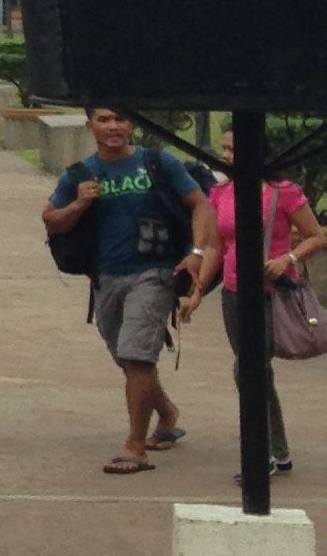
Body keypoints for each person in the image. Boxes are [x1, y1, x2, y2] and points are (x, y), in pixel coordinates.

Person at [44, 110, 212, 473]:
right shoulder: (79, 174)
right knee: (127, 357)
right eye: (104, 120)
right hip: (105, 277)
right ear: (90, 126)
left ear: (132, 125)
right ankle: (166, 413)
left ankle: (135, 446)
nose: (114, 126)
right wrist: (79, 203)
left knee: (137, 356)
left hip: (154, 273)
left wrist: (196, 253)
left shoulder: (157, 163)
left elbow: (200, 204)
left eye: (121, 119)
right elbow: (50, 220)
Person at [178, 130, 322, 478]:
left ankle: (262, 454)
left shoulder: (282, 193)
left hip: (271, 292)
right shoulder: (222, 192)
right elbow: (216, 246)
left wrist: (287, 257)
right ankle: (278, 450)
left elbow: (317, 235)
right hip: (233, 292)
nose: (227, 156)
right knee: (255, 372)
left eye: (234, 148)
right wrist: (197, 292)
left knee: (250, 370)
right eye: (225, 149)